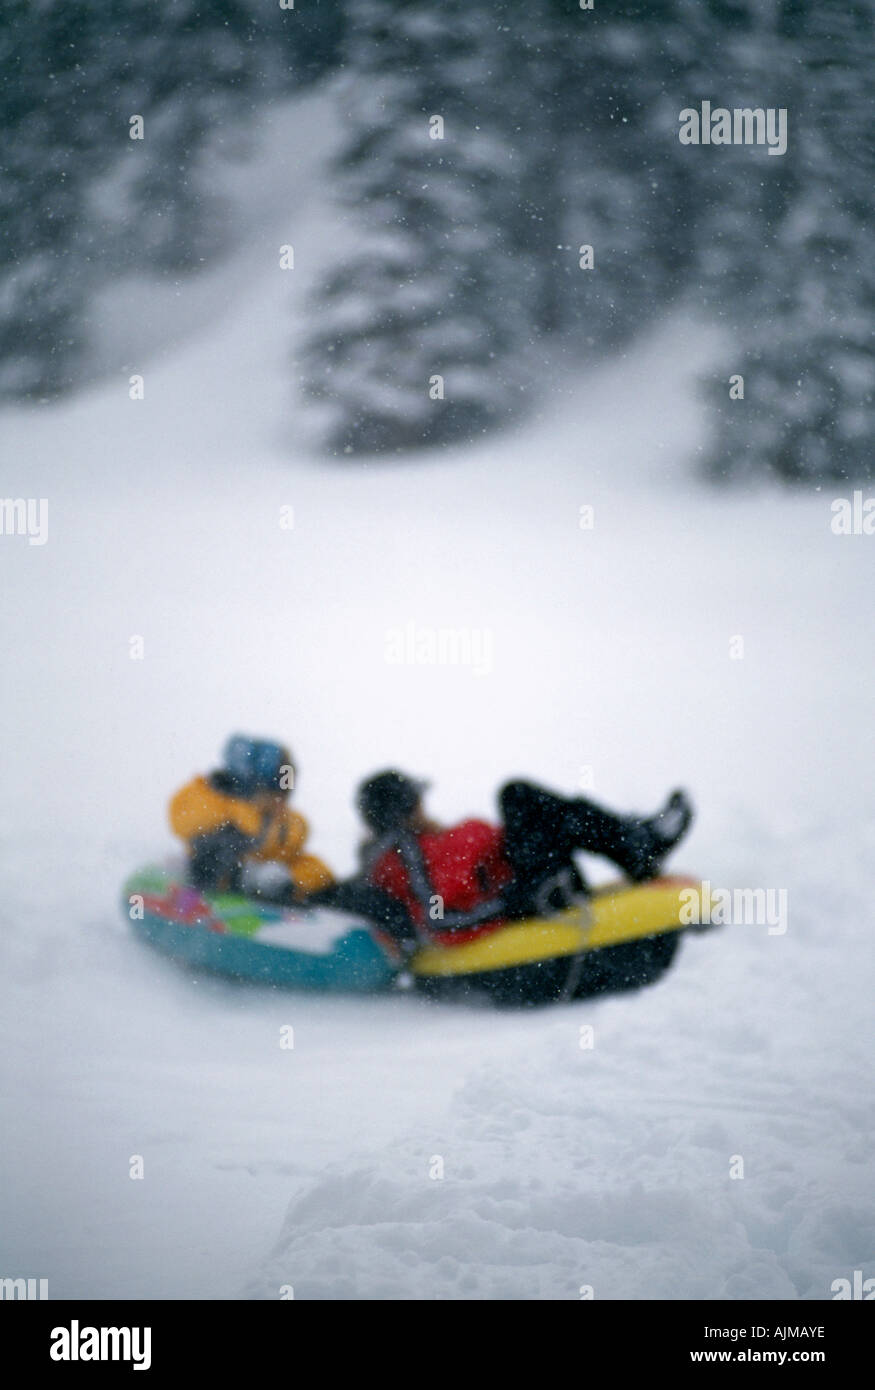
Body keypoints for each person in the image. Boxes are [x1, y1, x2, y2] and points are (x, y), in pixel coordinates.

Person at [313, 771, 693, 945]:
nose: (426, 810)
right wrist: (516, 901)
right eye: (417, 803)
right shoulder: (405, 853)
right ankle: (640, 846)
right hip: (531, 889)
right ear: (404, 814)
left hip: (533, 872)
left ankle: (638, 844)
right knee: (517, 795)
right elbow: (438, 918)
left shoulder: (431, 841)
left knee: (531, 803)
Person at [168, 735, 334, 900]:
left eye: (286, 792)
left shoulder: (287, 826)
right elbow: (185, 819)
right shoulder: (214, 805)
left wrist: (292, 880)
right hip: (208, 890)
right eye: (276, 791)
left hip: (258, 903)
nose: (281, 801)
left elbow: (305, 863)